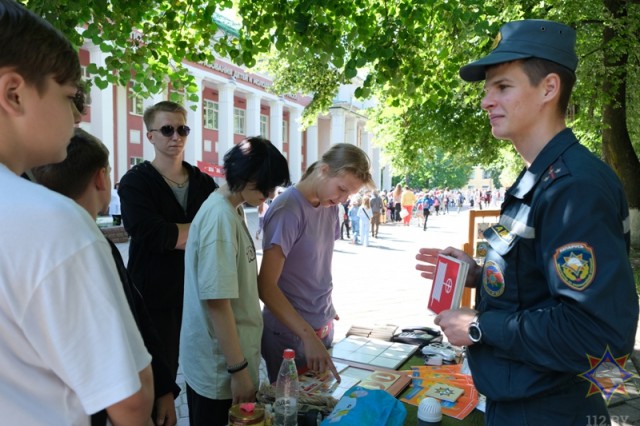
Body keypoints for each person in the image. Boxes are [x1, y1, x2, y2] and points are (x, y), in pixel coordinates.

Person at [416, 20, 638, 425]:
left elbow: (597, 335)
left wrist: (482, 326)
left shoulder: (573, 188)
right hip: (523, 402)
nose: (486, 101)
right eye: (487, 89)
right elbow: (541, 284)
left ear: (549, 89)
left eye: (502, 87)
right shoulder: (542, 177)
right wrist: (479, 276)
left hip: (552, 409)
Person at [0, 1, 153, 424]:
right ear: (14, 93)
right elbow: (130, 397)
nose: (78, 113)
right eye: (70, 96)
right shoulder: (53, 222)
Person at [33, 128, 181, 426]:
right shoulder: (91, 247)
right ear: (101, 178)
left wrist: (165, 387)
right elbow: (126, 338)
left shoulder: (35, 240)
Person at [180, 137, 290, 426]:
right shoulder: (220, 218)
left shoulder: (233, 208)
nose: (268, 193)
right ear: (244, 176)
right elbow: (217, 302)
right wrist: (238, 371)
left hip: (225, 364)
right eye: (265, 186)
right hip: (220, 370)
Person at [119, 100, 218, 380]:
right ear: (150, 136)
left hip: (200, 294)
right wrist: (201, 231)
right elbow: (151, 234)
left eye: (182, 129)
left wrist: (179, 234)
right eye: (167, 130)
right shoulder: (135, 182)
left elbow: (220, 230)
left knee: (206, 370)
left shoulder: (204, 182)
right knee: (159, 375)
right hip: (153, 299)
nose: (176, 136)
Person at [259, 143, 374, 381]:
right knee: (295, 410)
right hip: (290, 333)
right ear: (323, 170)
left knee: (323, 407)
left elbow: (317, 264)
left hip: (322, 324)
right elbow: (266, 287)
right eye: (341, 189)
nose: (342, 199)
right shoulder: (287, 210)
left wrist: (325, 307)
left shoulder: (329, 205)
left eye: (348, 195)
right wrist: (307, 336)